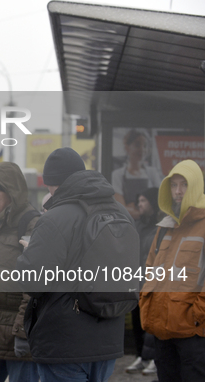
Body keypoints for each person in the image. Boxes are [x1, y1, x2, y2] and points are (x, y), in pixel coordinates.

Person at [16, 147, 134, 382]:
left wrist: (29, 253)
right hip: (108, 339)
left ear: (53, 184)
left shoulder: (54, 218)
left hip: (65, 344)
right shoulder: (122, 213)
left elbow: (33, 281)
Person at [139, 159, 205, 382]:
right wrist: (148, 305)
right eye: (173, 185)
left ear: (195, 186)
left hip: (193, 334)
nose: (178, 191)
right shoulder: (165, 226)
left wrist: (196, 316)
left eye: (184, 185)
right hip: (162, 330)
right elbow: (150, 269)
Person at [0, 162, 40, 382]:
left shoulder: (31, 225)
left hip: (16, 332)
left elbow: (35, 284)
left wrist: (22, 330)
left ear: (13, 192)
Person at [125, 188, 160, 376]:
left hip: (152, 282)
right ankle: (141, 356)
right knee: (138, 321)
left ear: (153, 203)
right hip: (137, 281)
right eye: (139, 201)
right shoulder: (138, 226)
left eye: (143, 201)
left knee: (152, 322)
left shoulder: (160, 227)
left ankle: (155, 358)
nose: (139, 204)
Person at [112, 129, 163, 220]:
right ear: (127, 147)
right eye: (137, 145)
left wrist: (131, 207)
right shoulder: (117, 175)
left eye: (145, 146)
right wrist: (146, 212)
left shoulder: (152, 173)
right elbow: (120, 209)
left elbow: (161, 203)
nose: (142, 149)